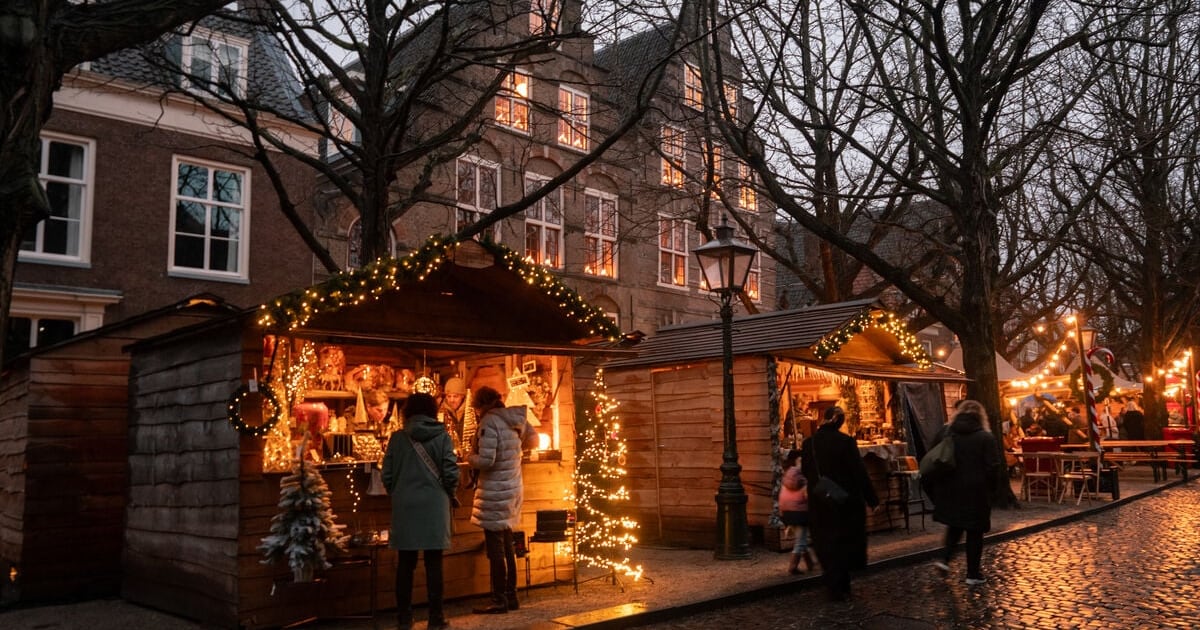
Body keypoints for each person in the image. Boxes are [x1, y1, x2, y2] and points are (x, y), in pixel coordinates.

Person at [382, 392, 459, 630]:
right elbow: (450, 471)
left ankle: (404, 618)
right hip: (434, 505)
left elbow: (387, 474)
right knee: (433, 563)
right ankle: (436, 617)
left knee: (406, 563)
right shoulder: (442, 436)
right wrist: (449, 492)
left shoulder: (397, 438)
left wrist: (400, 491)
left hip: (406, 506)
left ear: (408, 412)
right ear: (432, 411)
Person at [467, 386, 538, 614]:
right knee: (508, 544)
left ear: (481, 405)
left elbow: (486, 460)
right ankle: (511, 595)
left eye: (476, 409)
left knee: (496, 548)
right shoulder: (514, 418)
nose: (476, 413)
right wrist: (514, 453)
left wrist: (470, 458)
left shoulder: (489, 422)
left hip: (495, 491)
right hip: (513, 487)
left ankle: (499, 599)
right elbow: (534, 440)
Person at [800, 406, 879, 601]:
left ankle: (832, 582)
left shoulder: (809, 444)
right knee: (844, 540)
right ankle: (842, 583)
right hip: (845, 499)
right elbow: (859, 472)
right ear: (838, 421)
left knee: (825, 540)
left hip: (819, 499)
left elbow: (805, 470)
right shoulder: (845, 442)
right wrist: (872, 499)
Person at [925, 400, 1001, 587]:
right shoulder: (985, 437)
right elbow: (993, 467)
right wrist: (992, 489)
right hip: (976, 491)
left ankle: (944, 559)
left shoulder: (946, 433)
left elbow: (933, 457)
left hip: (950, 490)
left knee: (954, 526)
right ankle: (973, 573)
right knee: (974, 532)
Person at [778, 449, 814, 575]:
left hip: (787, 512)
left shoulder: (787, 475)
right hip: (800, 512)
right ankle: (793, 567)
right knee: (801, 541)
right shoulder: (802, 477)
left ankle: (810, 564)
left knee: (801, 538)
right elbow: (807, 495)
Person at [439, 376, 469, 454]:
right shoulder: (441, 414)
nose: (451, 400)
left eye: (455, 396)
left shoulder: (471, 413)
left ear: (462, 396)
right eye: (449, 396)